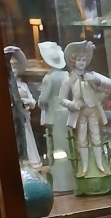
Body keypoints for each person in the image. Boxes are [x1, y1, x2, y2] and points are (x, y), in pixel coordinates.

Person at [60, 40, 111, 195]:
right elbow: (61, 99)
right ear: (73, 61)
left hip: (93, 110)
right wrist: (72, 104)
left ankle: (100, 165)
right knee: (82, 139)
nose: (82, 63)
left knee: (97, 138)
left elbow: (110, 85)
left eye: (84, 60)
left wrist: (97, 83)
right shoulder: (68, 79)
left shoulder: (92, 76)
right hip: (80, 113)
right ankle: (84, 167)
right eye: (79, 60)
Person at [37, 41, 74, 192]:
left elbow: (44, 99)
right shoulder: (66, 75)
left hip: (53, 114)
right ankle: (70, 179)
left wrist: (39, 102)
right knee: (67, 145)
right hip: (66, 111)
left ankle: (60, 182)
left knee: (56, 148)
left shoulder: (49, 78)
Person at [4, 45, 41, 167]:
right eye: (10, 67)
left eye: (15, 67)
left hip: (24, 118)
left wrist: (25, 101)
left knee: (28, 139)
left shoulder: (23, 86)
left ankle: (32, 163)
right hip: (13, 120)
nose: (13, 70)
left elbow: (33, 102)